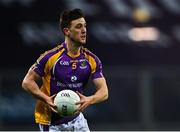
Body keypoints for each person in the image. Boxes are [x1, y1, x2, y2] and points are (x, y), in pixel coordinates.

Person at [22, 8, 109, 131]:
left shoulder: (92, 60)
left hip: (76, 119)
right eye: (78, 27)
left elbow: (104, 92)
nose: (84, 30)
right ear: (67, 31)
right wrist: (46, 99)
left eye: (84, 26)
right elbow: (27, 82)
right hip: (51, 122)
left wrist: (90, 99)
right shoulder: (50, 57)